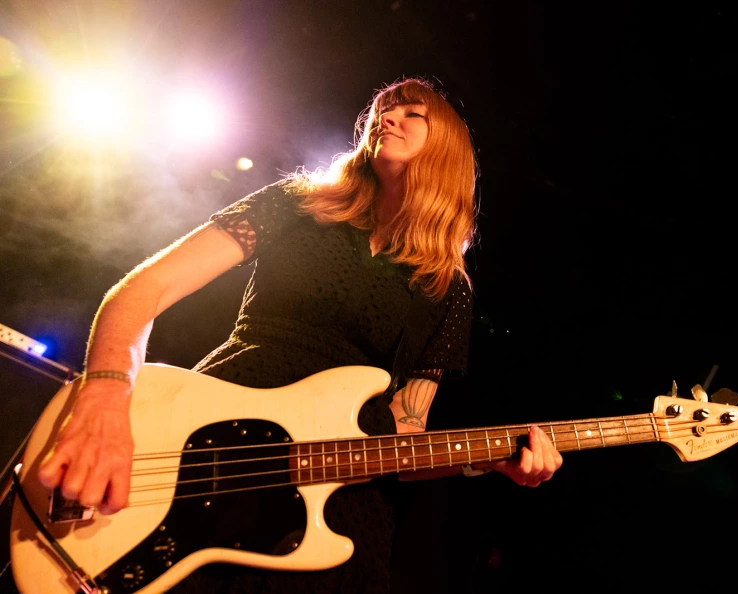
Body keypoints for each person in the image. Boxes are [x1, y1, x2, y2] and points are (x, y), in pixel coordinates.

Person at [35, 76, 563, 593]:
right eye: (384, 109)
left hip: (333, 515)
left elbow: (405, 438)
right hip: (210, 445)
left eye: (411, 112)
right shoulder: (298, 205)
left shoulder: (446, 288)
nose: (388, 117)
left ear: (445, 145)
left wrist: (491, 458)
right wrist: (104, 395)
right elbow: (143, 290)